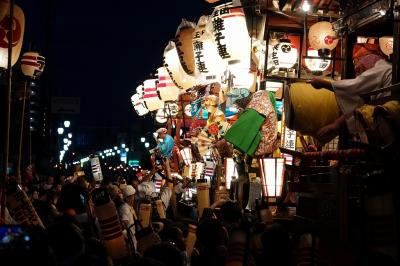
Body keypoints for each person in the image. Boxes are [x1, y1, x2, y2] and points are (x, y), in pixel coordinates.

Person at [311, 42, 392, 142]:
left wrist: (324, 84)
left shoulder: (382, 68)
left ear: (368, 59)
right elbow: (360, 105)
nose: (361, 72)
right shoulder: (382, 70)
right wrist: (337, 124)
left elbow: (355, 86)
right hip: (387, 119)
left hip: (390, 119)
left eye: (360, 67)